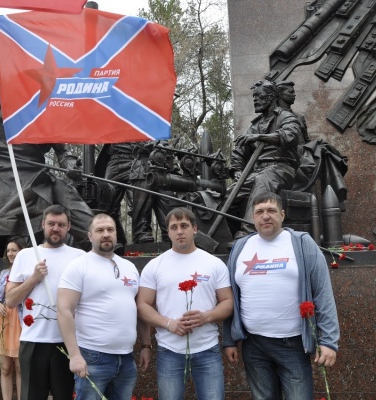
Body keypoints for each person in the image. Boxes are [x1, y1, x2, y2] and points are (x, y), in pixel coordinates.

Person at [222, 191, 340, 399]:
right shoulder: (240, 247)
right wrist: (229, 340)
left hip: (292, 344)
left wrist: (329, 341)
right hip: (253, 345)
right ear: (253, 217)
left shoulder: (302, 243)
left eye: (271, 210)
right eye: (259, 212)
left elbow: (323, 294)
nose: (265, 216)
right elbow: (231, 297)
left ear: (282, 215)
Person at [0, 97, 94, 254]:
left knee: (74, 205)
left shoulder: (47, 116)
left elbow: (63, 153)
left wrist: (71, 166)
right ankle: (3, 246)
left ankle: (97, 247)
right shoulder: (6, 104)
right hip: (3, 168)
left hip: (35, 172)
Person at [137, 207, 234, 400]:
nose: (179, 231)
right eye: (174, 227)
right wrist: (169, 324)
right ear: (168, 232)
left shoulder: (214, 263)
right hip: (169, 351)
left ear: (195, 229)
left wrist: (206, 317)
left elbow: (228, 301)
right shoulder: (155, 266)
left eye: (184, 226)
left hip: (207, 349)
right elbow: (142, 305)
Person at [57, 213, 152, 400]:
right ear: (90, 235)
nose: (106, 234)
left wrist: (146, 344)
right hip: (93, 358)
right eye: (100, 230)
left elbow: (138, 309)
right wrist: (74, 355)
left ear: (116, 234)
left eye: (110, 229)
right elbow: (64, 310)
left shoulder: (129, 267)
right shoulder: (78, 266)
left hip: (126, 358)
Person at [4, 205, 87, 400]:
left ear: (69, 227)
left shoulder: (80, 257)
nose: (55, 228)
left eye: (61, 225)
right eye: (51, 224)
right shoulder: (25, 255)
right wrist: (33, 278)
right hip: (33, 340)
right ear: (42, 224)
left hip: (67, 342)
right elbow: (10, 300)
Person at [225, 79, 302, 238]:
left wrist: (260, 137)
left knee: (263, 181)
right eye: (253, 97)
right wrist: (237, 170)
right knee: (230, 195)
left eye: (259, 96)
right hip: (257, 171)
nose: (255, 100)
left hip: (281, 168)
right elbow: (239, 151)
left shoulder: (286, 117)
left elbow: (290, 136)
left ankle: (249, 234)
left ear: (271, 97)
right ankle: (227, 236)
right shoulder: (254, 125)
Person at [0, 236, 28, 400]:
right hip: (4, 320)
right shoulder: (4, 273)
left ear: (22, 252)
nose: (11, 254)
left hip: (21, 321)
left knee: (20, 368)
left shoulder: (29, 273)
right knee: (5, 368)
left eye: (14, 250)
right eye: (8, 251)